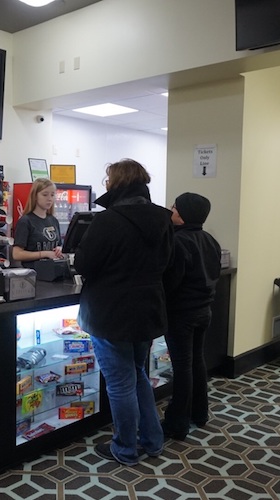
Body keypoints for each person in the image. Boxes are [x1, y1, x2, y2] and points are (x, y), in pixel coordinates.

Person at [74, 158, 174, 466]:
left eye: (108, 180)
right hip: (147, 310)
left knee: (119, 383)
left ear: (116, 183)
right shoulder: (163, 219)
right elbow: (166, 263)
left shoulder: (108, 220)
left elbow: (84, 264)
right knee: (139, 375)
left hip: (111, 313)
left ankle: (126, 448)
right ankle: (153, 440)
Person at [162, 192, 222, 440]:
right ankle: (200, 412)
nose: (171, 212)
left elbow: (171, 282)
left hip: (181, 314)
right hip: (204, 310)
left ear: (184, 215)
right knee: (197, 362)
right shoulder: (210, 240)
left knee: (182, 367)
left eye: (175, 208)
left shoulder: (178, 242)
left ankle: (177, 422)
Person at [11, 178, 64, 263]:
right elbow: (17, 254)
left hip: (54, 271)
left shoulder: (53, 220)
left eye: (52, 195)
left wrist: (59, 249)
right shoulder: (26, 221)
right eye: (45, 195)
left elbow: (58, 245)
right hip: (34, 273)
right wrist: (44, 254)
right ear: (35, 196)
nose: (49, 199)